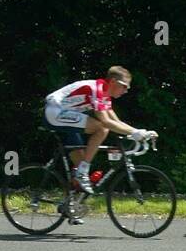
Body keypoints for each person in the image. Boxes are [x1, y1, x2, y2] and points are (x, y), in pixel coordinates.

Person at [45, 66, 156, 196]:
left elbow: (117, 122)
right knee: (101, 128)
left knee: (80, 164)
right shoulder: (97, 89)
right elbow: (106, 122)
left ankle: (70, 205)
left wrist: (137, 132)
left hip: (65, 114)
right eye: (125, 86)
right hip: (55, 112)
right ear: (113, 82)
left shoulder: (105, 95)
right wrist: (135, 133)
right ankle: (82, 172)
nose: (126, 91)